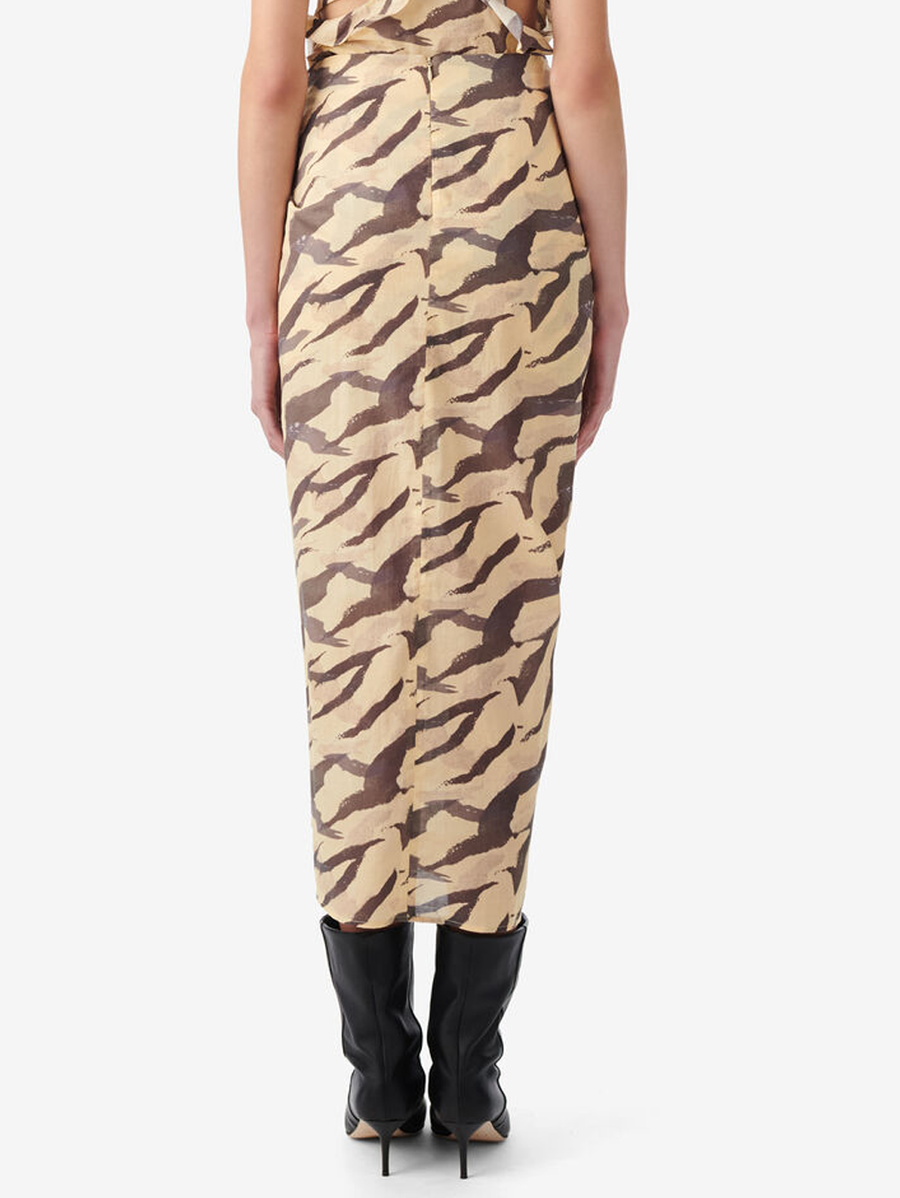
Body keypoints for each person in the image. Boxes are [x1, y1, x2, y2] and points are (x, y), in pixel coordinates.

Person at [238, 0, 627, 1176]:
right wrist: (612, 294)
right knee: (498, 639)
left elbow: (273, 82)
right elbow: (585, 79)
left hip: (348, 218)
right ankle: (468, 1072)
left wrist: (262, 310)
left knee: (353, 626)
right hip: (513, 224)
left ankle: (376, 1072)